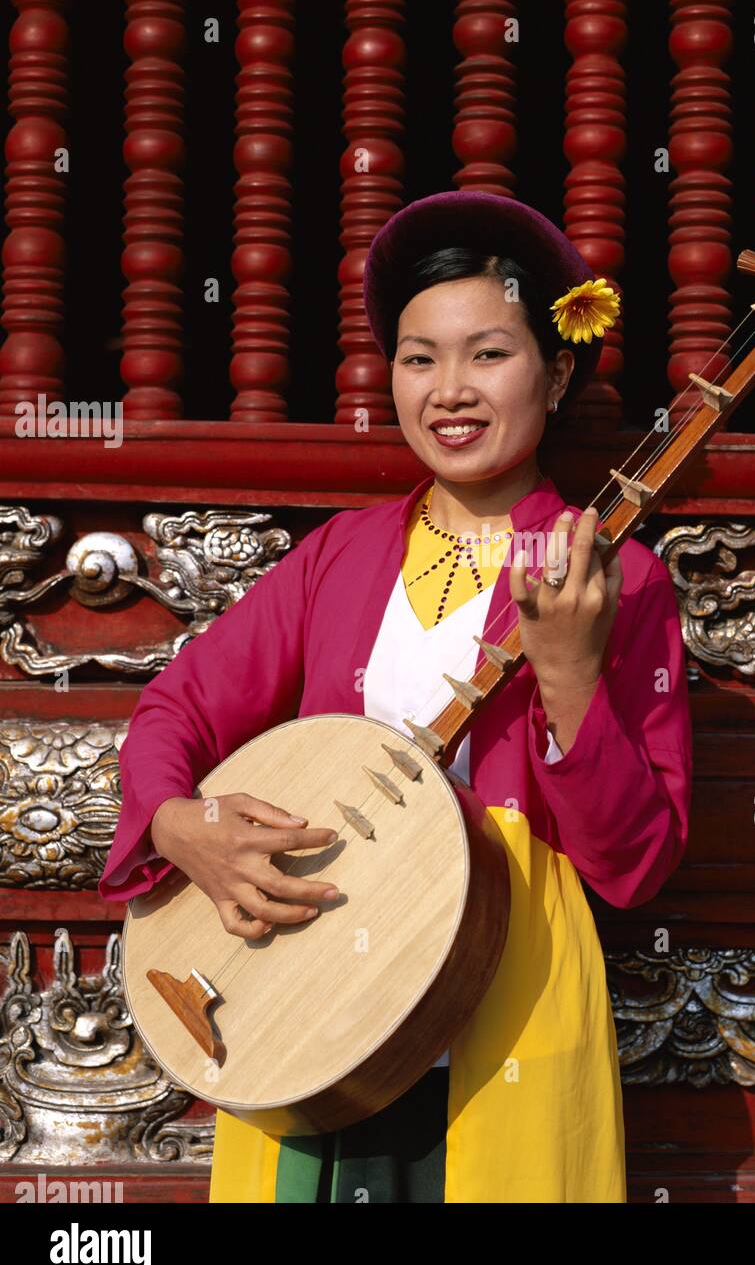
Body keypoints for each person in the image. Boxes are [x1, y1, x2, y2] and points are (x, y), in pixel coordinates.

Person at [98, 190, 693, 1203]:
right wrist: (179, 821)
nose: (449, 390)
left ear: (556, 374)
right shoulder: (342, 554)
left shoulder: (614, 578)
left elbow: (634, 865)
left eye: (487, 354)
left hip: (505, 983)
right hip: (306, 975)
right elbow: (176, 711)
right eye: (419, 358)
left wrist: (570, 671)